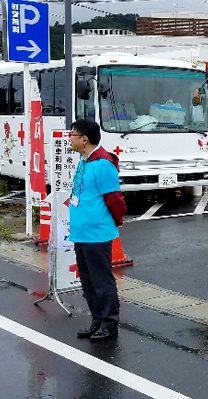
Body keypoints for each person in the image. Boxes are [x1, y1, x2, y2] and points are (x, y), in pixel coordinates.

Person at [69, 119, 127, 342]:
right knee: (88, 281)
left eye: (72, 135)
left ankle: (109, 323)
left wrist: (117, 220)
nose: (69, 139)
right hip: (81, 232)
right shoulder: (85, 160)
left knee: (101, 281)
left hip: (97, 233)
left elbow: (115, 199)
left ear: (84, 140)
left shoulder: (102, 163)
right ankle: (97, 320)